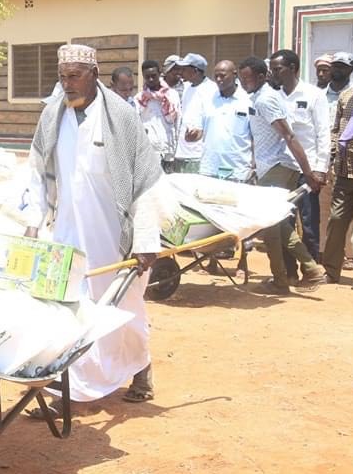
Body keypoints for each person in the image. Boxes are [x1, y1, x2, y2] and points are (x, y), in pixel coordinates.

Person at [25, 44, 162, 404]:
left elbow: (145, 181)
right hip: (68, 231)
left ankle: (140, 369)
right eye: (62, 77)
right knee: (67, 310)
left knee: (123, 310)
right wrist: (32, 220)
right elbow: (38, 172)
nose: (67, 84)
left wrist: (146, 240)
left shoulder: (121, 117)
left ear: (94, 75)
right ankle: (66, 390)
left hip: (114, 236)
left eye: (74, 76)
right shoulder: (52, 115)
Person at [238, 57, 325, 292]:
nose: (243, 81)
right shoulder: (260, 96)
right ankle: (285, 278)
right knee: (273, 225)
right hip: (271, 166)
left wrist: (308, 172)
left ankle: (307, 269)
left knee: (271, 224)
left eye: (247, 77)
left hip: (278, 166)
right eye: (241, 77)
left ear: (261, 76)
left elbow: (289, 136)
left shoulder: (265, 99)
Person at [269, 49, 329, 280]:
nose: (273, 73)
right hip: (283, 169)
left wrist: (320, 169)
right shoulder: (274, 97)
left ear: (292, 68)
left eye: (278, 69)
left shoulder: (313, 95)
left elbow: (323, 134)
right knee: (284, 221)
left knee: (309, 222)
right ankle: (289, 272)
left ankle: (311, 271)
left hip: (308, 170)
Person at [323, 53, 353, 289]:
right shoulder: (346, 96)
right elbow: (336, 129)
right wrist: (331, 155)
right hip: (343, 172)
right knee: (337, 221)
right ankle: (331, 271)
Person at [186, 60, 253, 182]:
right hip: (209, 168)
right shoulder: (208, 100)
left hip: (237, 170)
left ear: (234, 74)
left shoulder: (248, 100)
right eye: (216, 76)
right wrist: (192, 136)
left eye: (222, 75)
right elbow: (200, 131)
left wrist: (254, 165)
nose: (218, 79)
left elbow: (254, 136)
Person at [173, 53, 217, 173]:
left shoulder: (212, 89)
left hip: (198, 154)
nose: (181, 73)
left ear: (196, 71)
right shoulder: (187, 87)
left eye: (184, 69)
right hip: (181, 151)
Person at [136, 59, 179, 169]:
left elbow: (178, 122)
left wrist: (176, 149)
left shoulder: (172, 95)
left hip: (169, 150)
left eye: (153, 76)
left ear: (160, 74)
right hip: (149, 151)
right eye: (147, 76)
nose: (150, 79)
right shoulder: (140, 98)